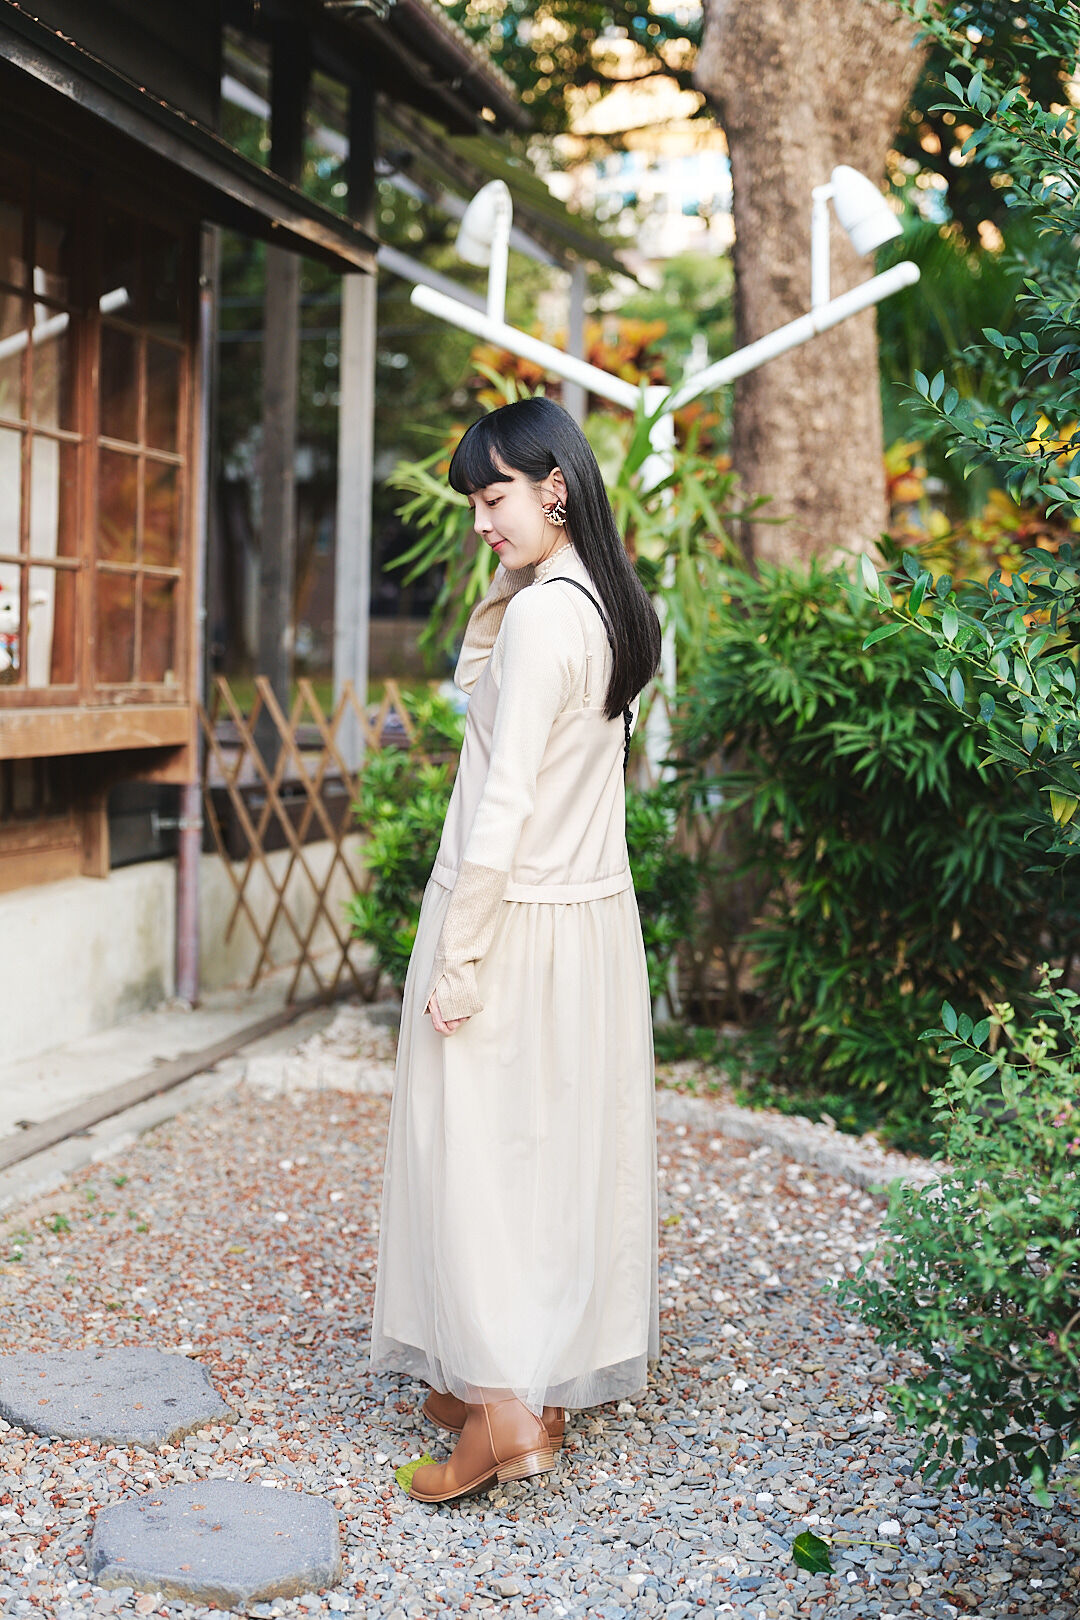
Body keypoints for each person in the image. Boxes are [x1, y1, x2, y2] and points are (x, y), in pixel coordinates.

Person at [368, 395, 662, 1504]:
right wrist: (515, 570)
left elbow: (500, 803)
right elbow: (486, 689)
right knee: (551, 1156)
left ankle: (501, 1416)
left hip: (510, 917)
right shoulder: (603, 604)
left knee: (479, 1163)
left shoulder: (545, 618)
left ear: (555, 486)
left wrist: (460, 956)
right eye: (474, 504)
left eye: (493, 499)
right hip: (583, 920)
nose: (480, 522)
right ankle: (527, 1382)